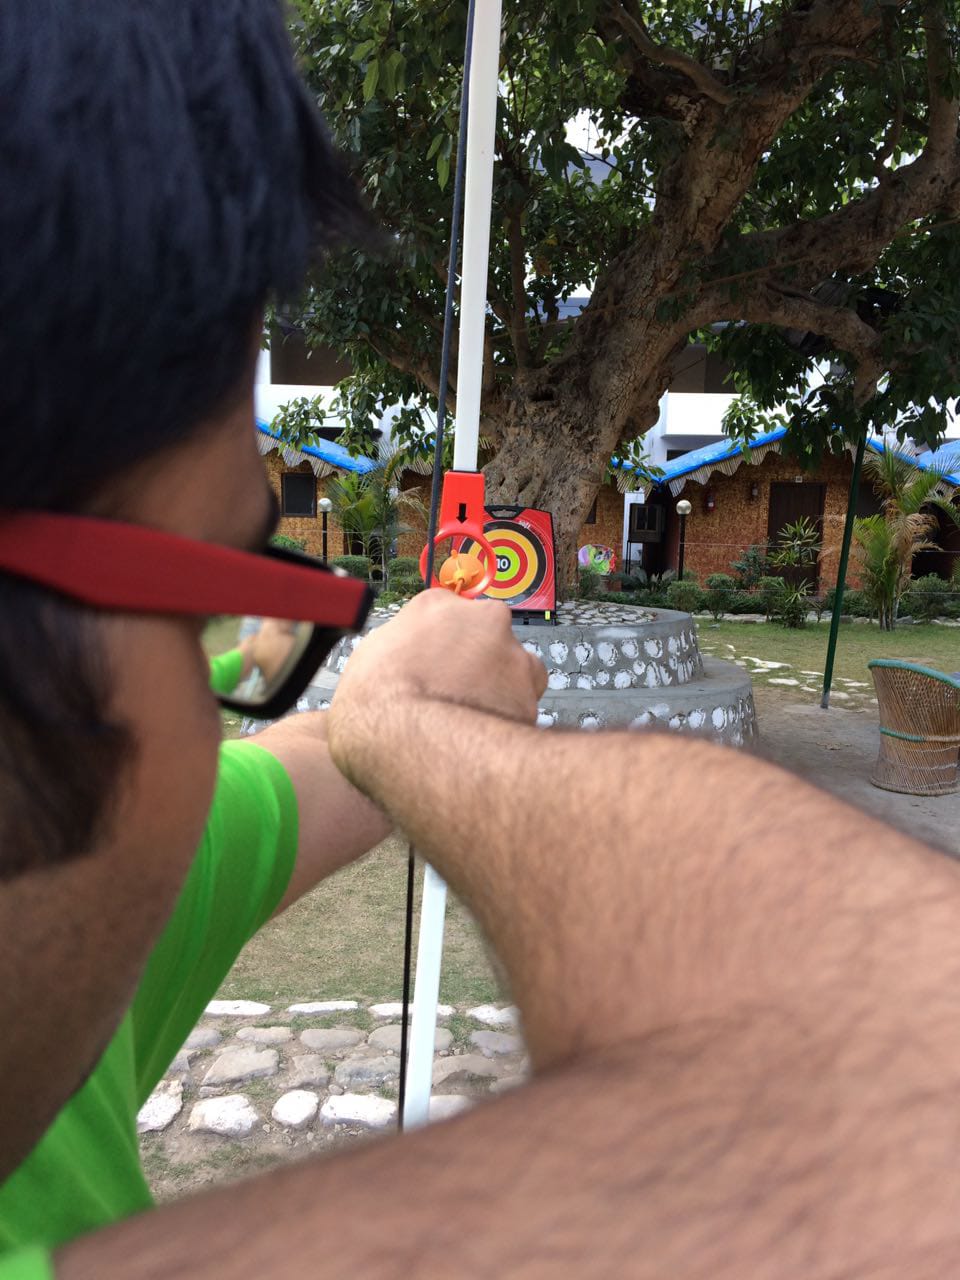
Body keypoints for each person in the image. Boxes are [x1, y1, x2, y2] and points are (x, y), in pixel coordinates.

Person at [3, 4, 960, 1278]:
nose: (218, 684)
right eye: (196, 605)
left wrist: (393, 711)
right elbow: (919, 1073)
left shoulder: (69, 916)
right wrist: (413, 724)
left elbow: (323, 760)